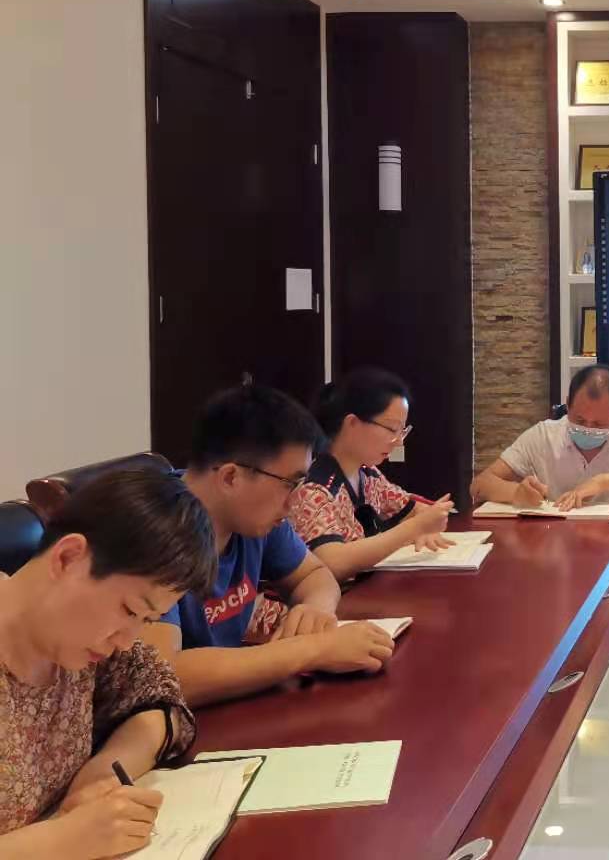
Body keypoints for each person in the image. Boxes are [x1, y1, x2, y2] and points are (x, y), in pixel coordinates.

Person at [0, 468, 215, 856]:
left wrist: (104, 771)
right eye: (129, 610)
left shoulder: (76, 645)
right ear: (68, 558)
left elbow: (162, 700)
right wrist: (58, 841)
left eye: (146, 620)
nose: (126, 641)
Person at [141, 384, 395, 708]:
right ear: (231, 478)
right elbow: (161, 677)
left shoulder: (252, 518)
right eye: (291, 483)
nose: (295, 502)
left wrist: (315, 610)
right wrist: (313, 650)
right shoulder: (153, 531)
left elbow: (314, 575)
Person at [289, 367, 455, 582]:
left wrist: (426, 524)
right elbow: (331, 562)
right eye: (392, 429)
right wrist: (414, 529)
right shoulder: (314, 487)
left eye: (403, 431)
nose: (399, 442)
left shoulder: (368, 474)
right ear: (352, 424)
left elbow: (415, 510)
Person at [471, 364, 609, 511]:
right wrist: (516, 493)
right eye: (579, 420)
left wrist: (605, 482)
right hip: (555, 544)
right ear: (568, 405)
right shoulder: (543, 435)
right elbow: (480, 484)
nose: (587, 429)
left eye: (598, 424)